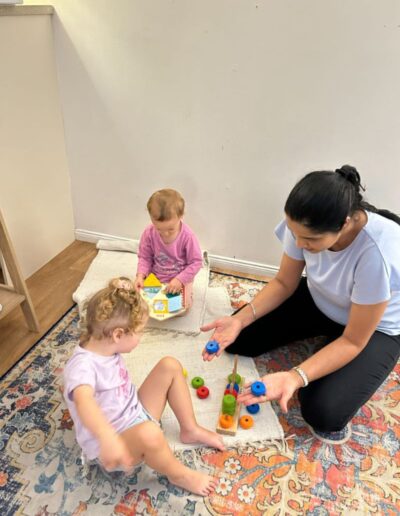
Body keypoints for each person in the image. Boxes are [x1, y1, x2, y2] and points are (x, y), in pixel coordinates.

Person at [201, 165, 400, 444]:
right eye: (295, 235)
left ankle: (336, 352)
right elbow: (284, 283)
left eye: (309, 240)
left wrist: (294, 376)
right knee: (238, 338)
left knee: (323, 412)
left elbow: (354, 341)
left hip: (374, 329)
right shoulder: (304, 226)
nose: (299, 243)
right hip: (324, 299)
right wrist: (240, 319)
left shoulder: (375, 255)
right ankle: (326, 344)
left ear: (344, 224)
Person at [64, 277, 224, 496]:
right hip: (114, 442)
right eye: (140, 331)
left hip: (134, 411)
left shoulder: (103, 343)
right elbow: (84, 401)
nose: (141, 336)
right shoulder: (82, 366)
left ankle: (190, 429)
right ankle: (179, 474)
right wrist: (107, 438)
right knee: (150, 433)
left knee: (170, 365)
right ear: (118, 334)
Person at [134, 188, 203, 310]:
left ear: (181, 216)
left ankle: (186, 291)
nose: (165, 233)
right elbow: (145, 257)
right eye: (159, 229)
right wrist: (140, 275)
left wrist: (180, 280)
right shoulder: (149, 233)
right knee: (141, 303)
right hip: (156, 275)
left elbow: (196, 262)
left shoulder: (188, 236)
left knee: (179, 308)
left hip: (180, 278)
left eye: (170, 229)